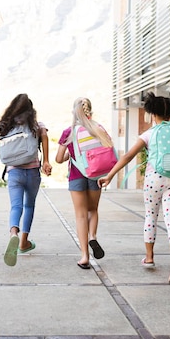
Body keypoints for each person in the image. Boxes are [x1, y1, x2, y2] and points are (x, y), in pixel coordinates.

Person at [98, 92, 170, 284]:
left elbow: (127, 157)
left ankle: (149, 257)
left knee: (151, 217)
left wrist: (110, 175)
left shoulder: (149, 134)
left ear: (152, 114)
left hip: (153, 179)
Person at [0, 94, 52, 266]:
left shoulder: (6, 125)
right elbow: (45, 138)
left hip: (14, 173)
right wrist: (47, 161)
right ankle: (23, 243)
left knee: (16, 206)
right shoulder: (36, 125)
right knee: (29, 206)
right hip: (32, 172)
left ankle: (13, 233)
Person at [55, 97, 110, 269]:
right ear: (90, 111)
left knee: (80, 215)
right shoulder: (98, 129)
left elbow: (58, 159)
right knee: (92, 210)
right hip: (96, 175)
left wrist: (71, 153)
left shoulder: (69, 132)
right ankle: (93, 236)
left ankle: (85, 256)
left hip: (77, 175)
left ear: (74, 112)